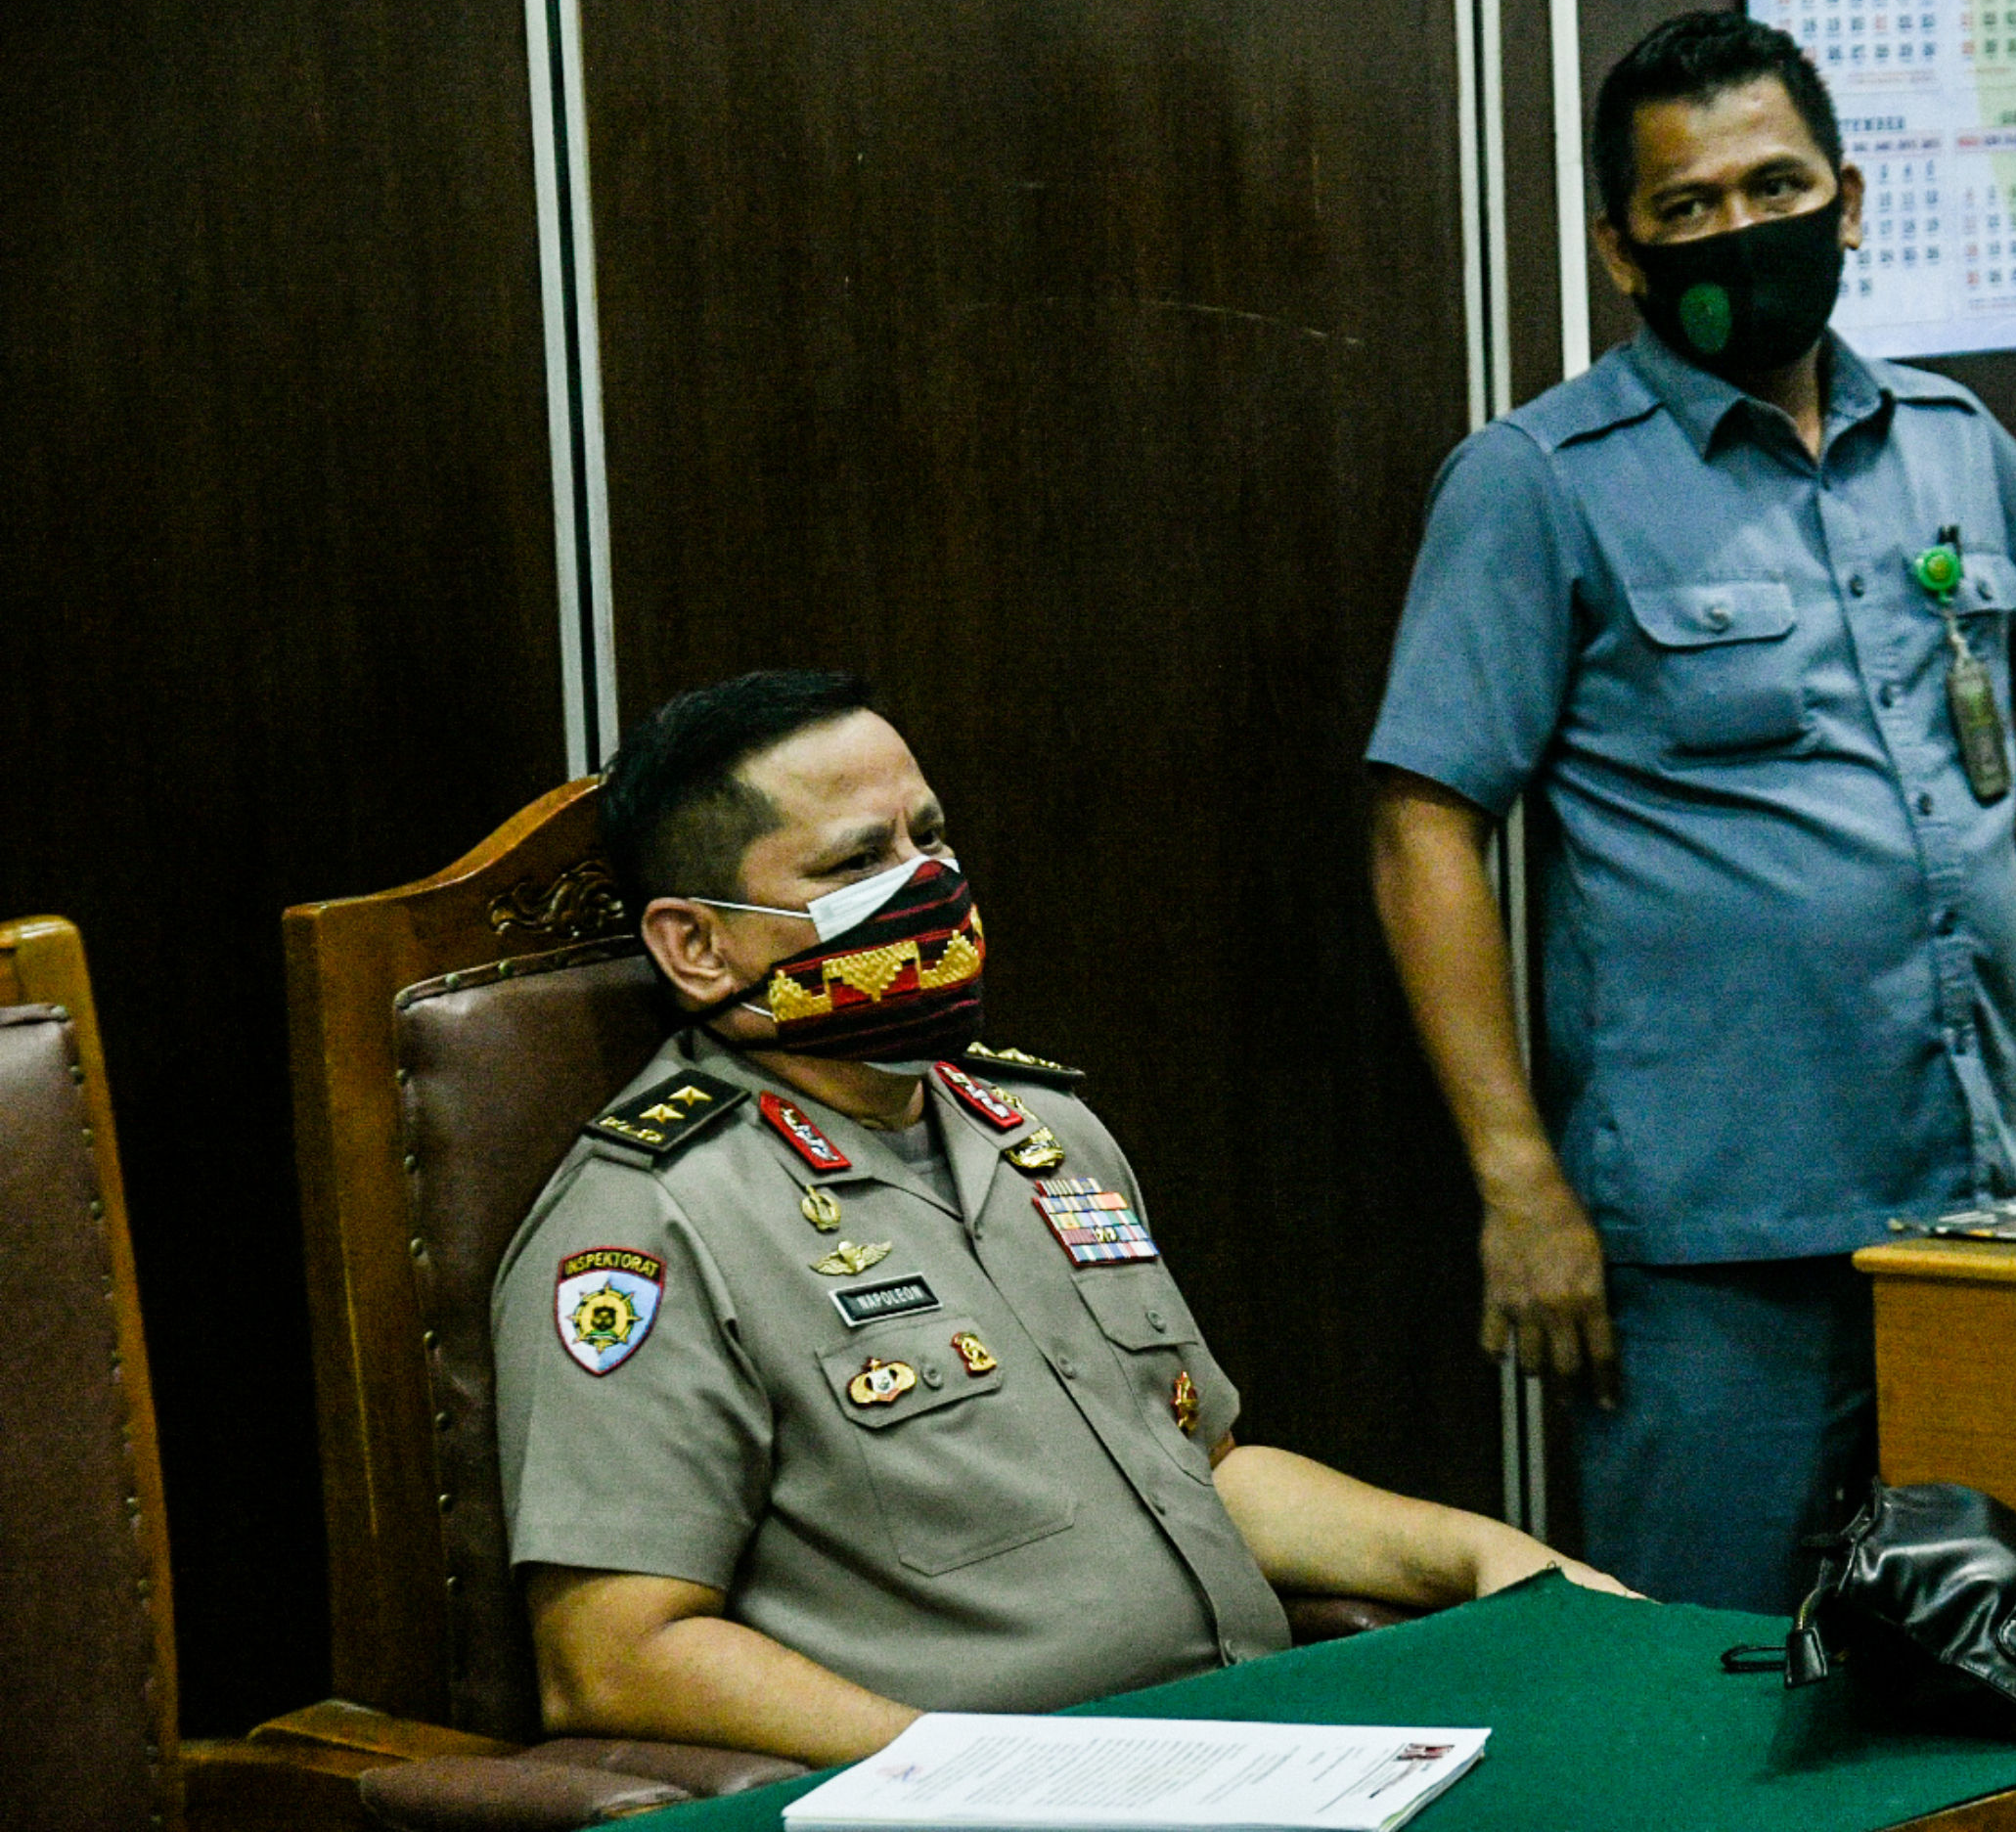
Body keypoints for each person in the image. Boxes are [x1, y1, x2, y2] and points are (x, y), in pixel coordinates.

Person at [495, 669, 1620, 1766]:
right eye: (858, 859)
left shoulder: (1037, 1132)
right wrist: (971, 1770)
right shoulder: (651, 1220)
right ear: (699, 945)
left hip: (1255, 1745)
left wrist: (1485, 1554)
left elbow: (1205, 1470)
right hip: (973, 1794)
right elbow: (614, 1657)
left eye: (928, 835)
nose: (927, 881)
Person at [1365, 12, 2016, 1616]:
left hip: (1985, 1207)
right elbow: (1423, 821)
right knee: (1707, 1687)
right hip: (1714, 1247)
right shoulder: (1538, 481)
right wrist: (1518, 1182)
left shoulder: (1959, 451)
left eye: (1772, 186)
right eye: (1688, 206)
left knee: (2000, 1670)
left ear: (1846, 202)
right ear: (1624, 250)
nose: (1737, 232)